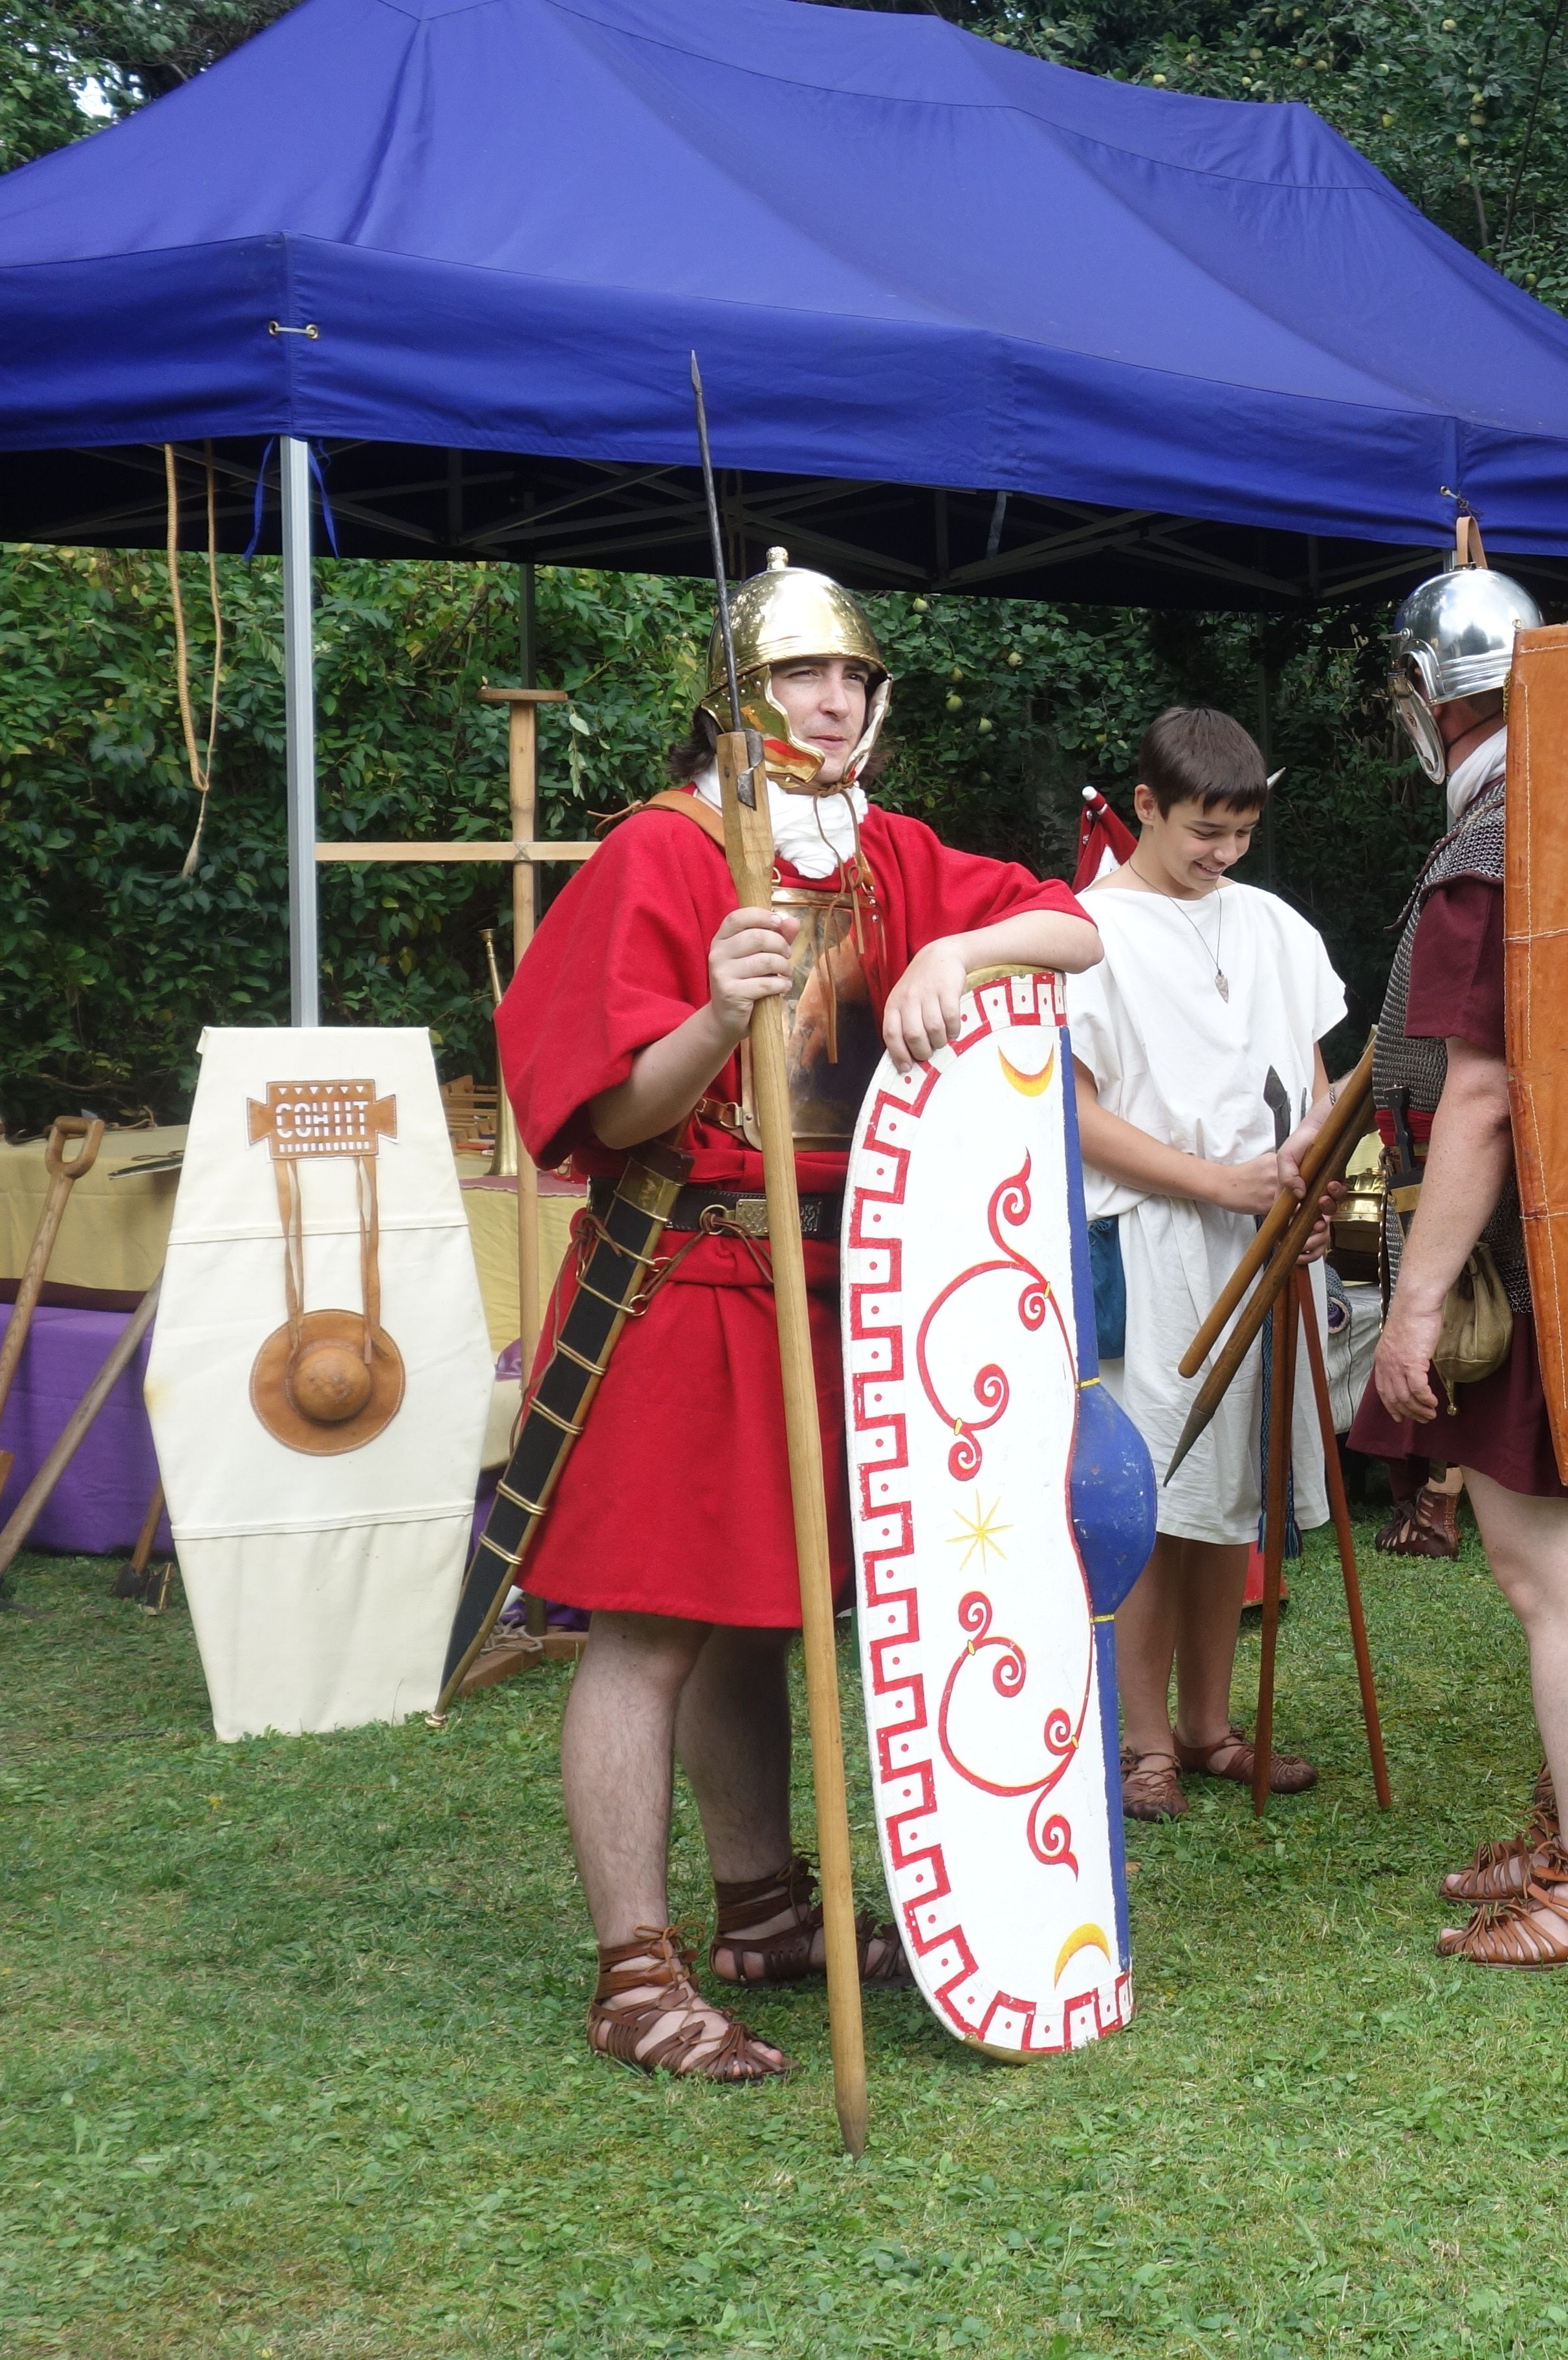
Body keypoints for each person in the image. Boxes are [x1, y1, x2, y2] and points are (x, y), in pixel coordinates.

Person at [501, 551, 1100, 2082]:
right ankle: (636, 1970)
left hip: (852, 1283)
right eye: (795, 678)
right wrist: (715, 1007)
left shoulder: (889, 855)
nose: (831, 704)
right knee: (652, 1626)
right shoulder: (663, 852)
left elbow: (1073, 928)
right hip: (687, 1270)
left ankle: (766, 1909)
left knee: (767, 1607)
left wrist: (962, 948)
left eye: (852, 677)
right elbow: (598, 1105)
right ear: (732, 695)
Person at [1346, 551, 1568, 1967]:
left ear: (1432, 701)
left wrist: (1416, 1302)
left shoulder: (1497, 845)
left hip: (1524, 1258)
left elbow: (1482, 1092)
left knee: (1550, 1575)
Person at [1062, 707, 1344, 1822]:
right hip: (1156, 1241)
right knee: (1151, 1497)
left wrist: (1304, 1186)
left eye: (1238, 829)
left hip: (1269, 1238)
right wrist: (1219, 1181)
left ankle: (1207, 1726)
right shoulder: (1085, 931)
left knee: (1232, 1494)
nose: (1221, 851)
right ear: (1144, 806)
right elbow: (1075, 1117)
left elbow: (1315, 1083)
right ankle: (1142, 1747)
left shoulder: (1273, 924)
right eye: (1201, 830)